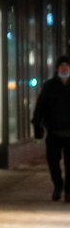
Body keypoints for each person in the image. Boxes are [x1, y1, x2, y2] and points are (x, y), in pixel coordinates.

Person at [33, 56, 70, 201]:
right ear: (57, 69)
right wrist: (37, 124)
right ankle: (58, 185)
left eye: (67, 65)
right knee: (53, 161)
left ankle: (68, 191)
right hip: (54, 132)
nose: (64, 68)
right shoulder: (49, 86)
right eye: (62, 66)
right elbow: (40, 106)